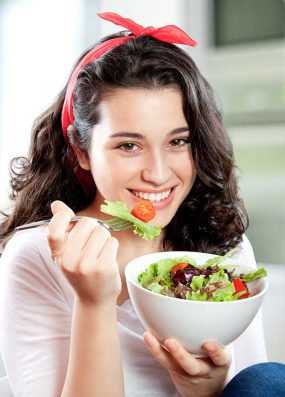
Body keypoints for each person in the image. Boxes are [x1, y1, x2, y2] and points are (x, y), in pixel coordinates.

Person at [0, 11, 280, 397]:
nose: (159, 173)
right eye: (129, 146)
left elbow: (252, 385)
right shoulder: (36, 256)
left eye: (178, 142)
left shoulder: (223, 248)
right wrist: (93, 302)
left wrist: (207, 388)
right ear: (81, 149)